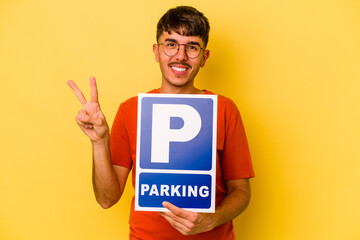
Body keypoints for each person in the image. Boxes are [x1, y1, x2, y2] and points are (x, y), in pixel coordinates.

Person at [68, 6, 254, 240]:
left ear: (204, 57)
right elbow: (107, 199)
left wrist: (212, 219)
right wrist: (99, 142)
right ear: (157, 52)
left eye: (192, 47)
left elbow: (241, 191)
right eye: (171, 44)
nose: (181, 56)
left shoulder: (225, 109)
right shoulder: (130, 110)